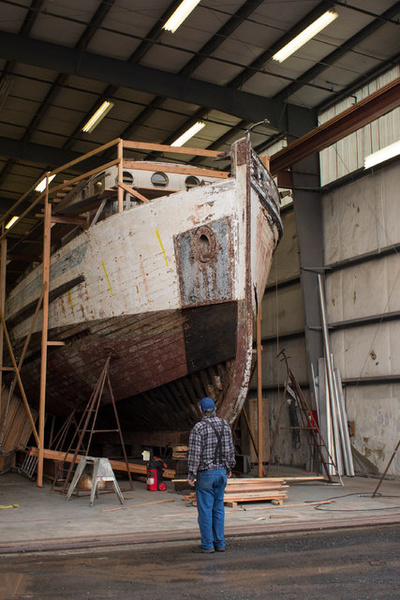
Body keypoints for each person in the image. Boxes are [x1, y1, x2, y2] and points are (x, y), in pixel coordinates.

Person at [187, 397, 235, 553]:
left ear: (201, 410)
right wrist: (229, 467)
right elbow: (230, 449)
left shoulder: (199, 428)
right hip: (221, 472)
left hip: (206, 474)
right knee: (219, 508)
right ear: (215, 409)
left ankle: (207, 545)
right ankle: (219, 542)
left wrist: (191, 474)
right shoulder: (225, 425)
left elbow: (195, 454)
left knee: (205, 510)